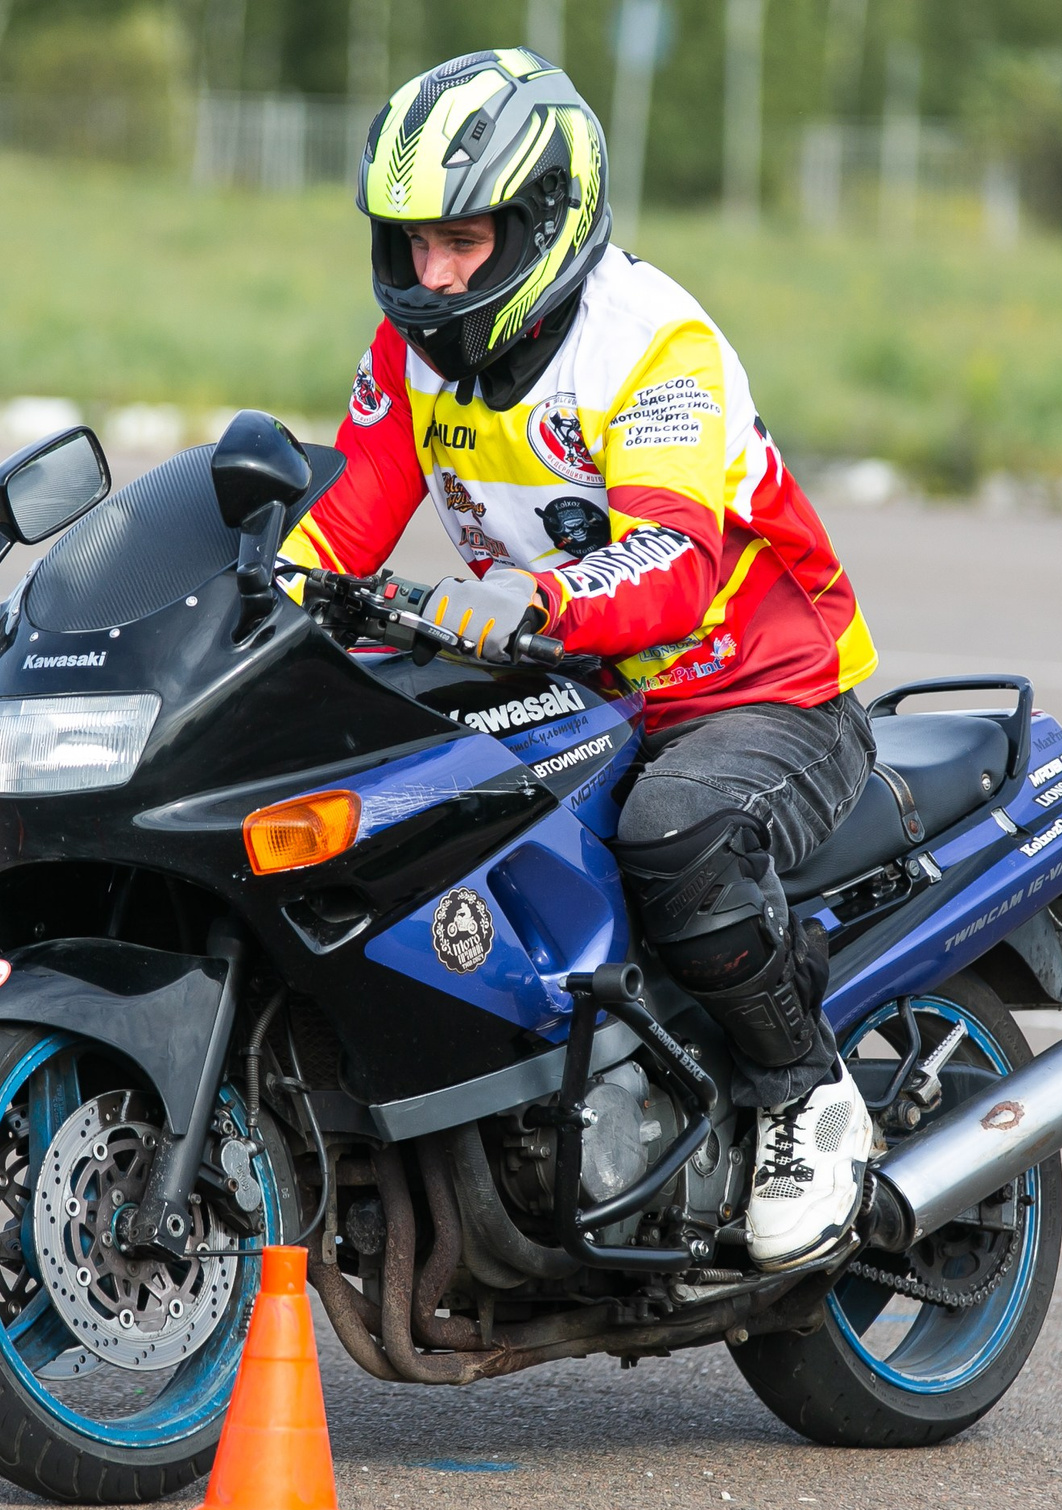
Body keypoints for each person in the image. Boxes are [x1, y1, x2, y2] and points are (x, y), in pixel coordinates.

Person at [282, 48, 882, 1273]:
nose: (429, 272)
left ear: (545, 222)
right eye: (408, 245)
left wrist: (526, 601)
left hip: (751, 691)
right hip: (562, 689)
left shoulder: (652, 342)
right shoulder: (409, 353)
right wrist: (250, 596)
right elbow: (340, 519)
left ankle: (803, 1095)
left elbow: (667, 557)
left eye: (461, 239)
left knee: (673, 831)